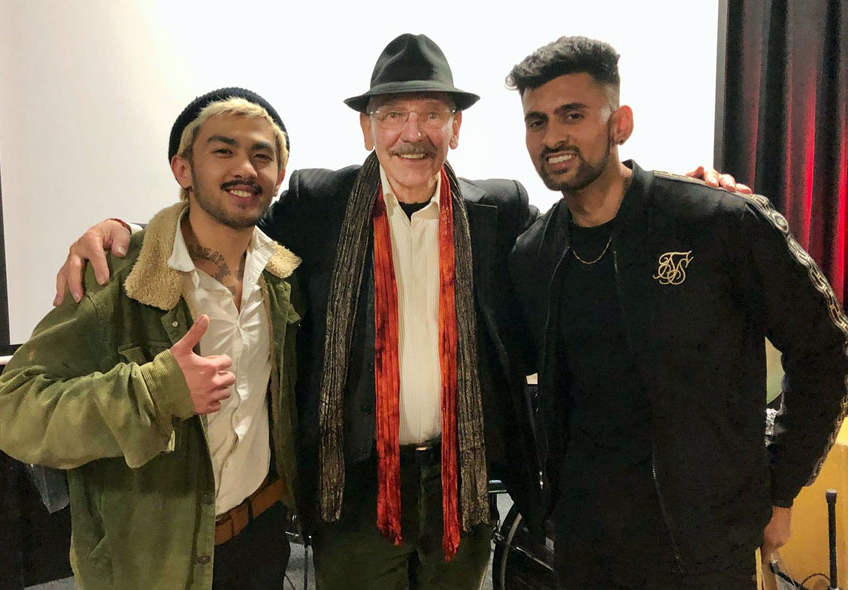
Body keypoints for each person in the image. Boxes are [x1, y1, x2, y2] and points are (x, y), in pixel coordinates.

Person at [53, 35, 744, 590]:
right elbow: (223, 220)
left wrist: (672, 195)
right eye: (392, 115)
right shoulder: (317, 205)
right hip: (353, 488)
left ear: (456, 127)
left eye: (431, 114)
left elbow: (586, 222)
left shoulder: (499, 209)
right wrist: (124, 230)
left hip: (462, 484)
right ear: (367, 128)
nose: (413, 133)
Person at [507, 36, 848, 589]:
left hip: (703, 545)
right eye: (536, 121)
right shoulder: (534, 254)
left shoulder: (717, 222)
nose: (553, 138)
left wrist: (780, 486)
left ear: (620, 123)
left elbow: (825, 347)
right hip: (585, 545)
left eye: (573, 115)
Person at [0, 88, 303, 590]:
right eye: (223, 150)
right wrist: (154, 393)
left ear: (279, 176)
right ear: (183, 169)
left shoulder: (281, 278)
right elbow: (14, 411)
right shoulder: (117, 277)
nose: (245, 167)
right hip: (152, 565)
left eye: (261, 155)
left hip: (260, 545)